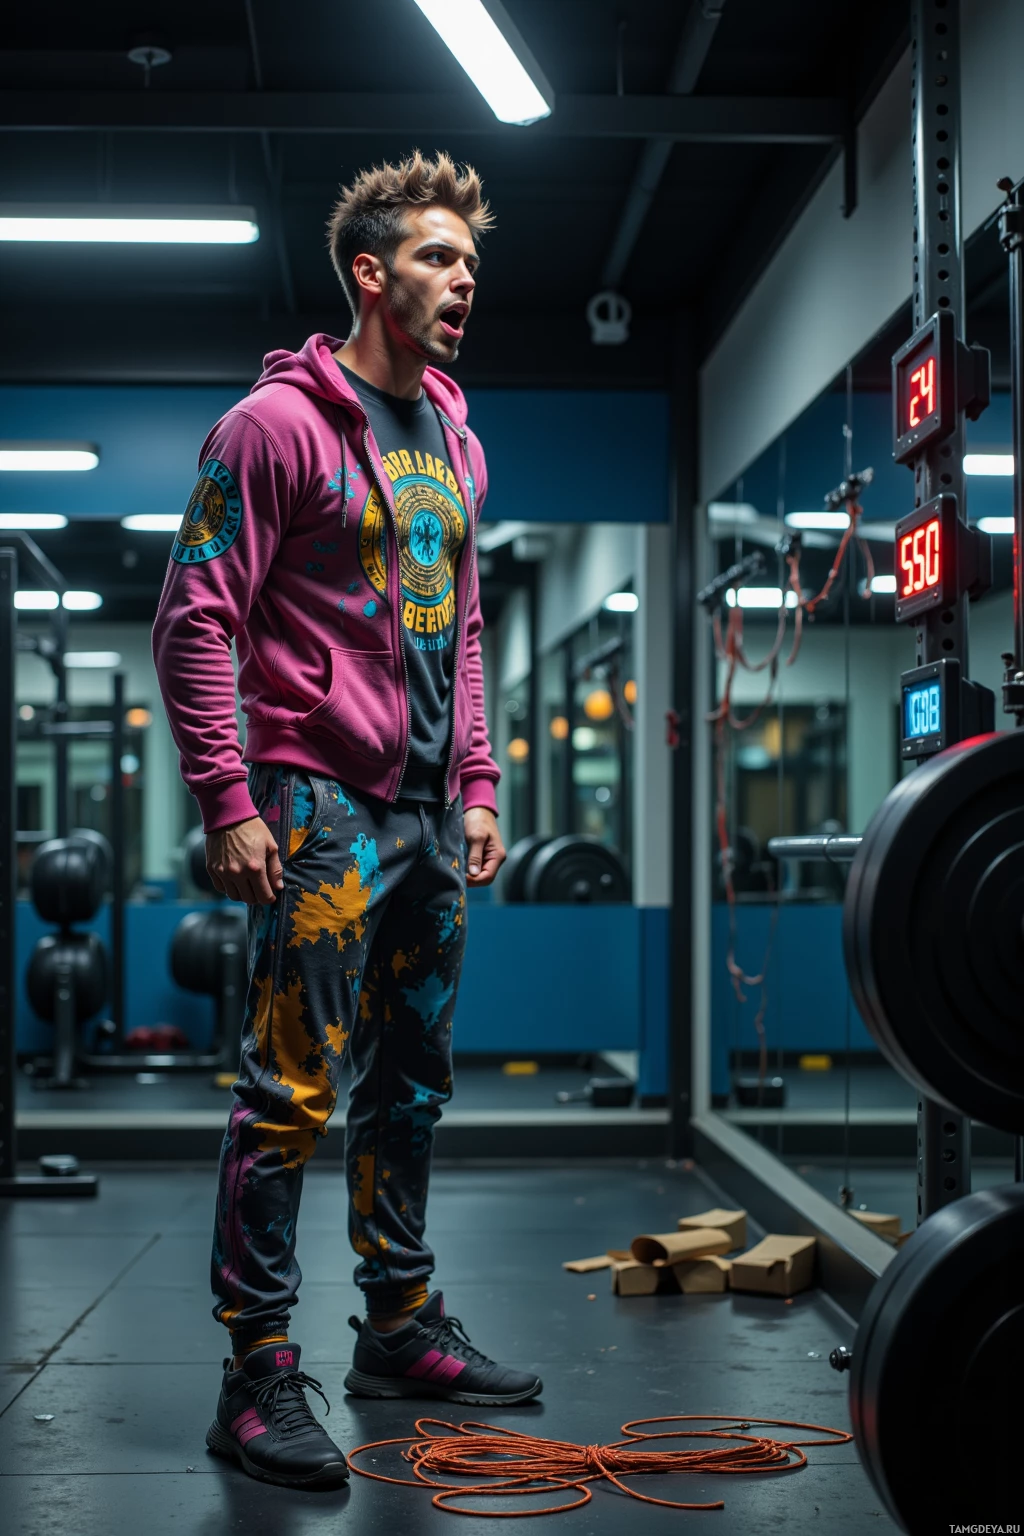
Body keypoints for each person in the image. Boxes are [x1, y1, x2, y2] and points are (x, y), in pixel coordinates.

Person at [153, 150, 543, 1492]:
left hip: (429, 814)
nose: (463, 279)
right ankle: (256, 1375)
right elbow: (195, 613)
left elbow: (466, 627)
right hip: (316, 804)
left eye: (471, 263)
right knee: (288, 1094)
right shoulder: (272, 429)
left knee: (410, 1084)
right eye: (439, 258)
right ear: (370, 275)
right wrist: (228, 794)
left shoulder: (456, 437)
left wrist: (479, 781)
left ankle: (398, 1330)